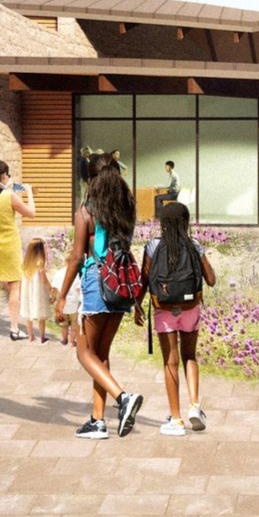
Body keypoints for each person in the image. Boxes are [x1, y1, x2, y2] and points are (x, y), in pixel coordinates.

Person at [55, 153, 144, 440]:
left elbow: (77, 257)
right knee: (101, 355)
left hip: (96, 282)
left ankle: (123, 398)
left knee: (84, 352)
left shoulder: (86, 211)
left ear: (90, 180)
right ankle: (97, 421)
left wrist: (61, 296)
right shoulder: (126, 209)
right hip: (120, 285)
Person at [141, 202, 216, 436]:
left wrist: (136, 306)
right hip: (190, 307)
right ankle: (194, 405)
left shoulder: (153, 246)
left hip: (164, 309)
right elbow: (211, 280)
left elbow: (145, 279)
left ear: (163, 223)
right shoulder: (195, 246)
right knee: (189, 356)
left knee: (170, 362)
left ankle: (176, 420)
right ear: (186, 222)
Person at [0, 160, 36, 339]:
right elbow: (31, 213)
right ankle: (14, 328)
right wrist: (29, 192)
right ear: (4, 176)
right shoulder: (10, 196)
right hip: (9, 246)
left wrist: (5, 187)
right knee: (14, 285)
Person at [20, 237, 52, 344]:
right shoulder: (40, 262)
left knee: (28, 313)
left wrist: (20, 292)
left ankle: (31, 336)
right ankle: (42, 337)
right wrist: (50, 288)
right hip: (38, 291)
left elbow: (21, 280)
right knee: (41, 315)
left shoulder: (25, 263)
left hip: (27, 292)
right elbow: (43, 279)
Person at [51, 267, 80, 347]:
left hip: (62, 304)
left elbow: (54, 288)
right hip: (74, 304)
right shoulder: (77, 274)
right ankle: (72, 342)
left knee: (64, 325)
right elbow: (78, 289)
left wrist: (53, 298)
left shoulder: (59, 273)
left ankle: (64, 340)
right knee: (74, 326)